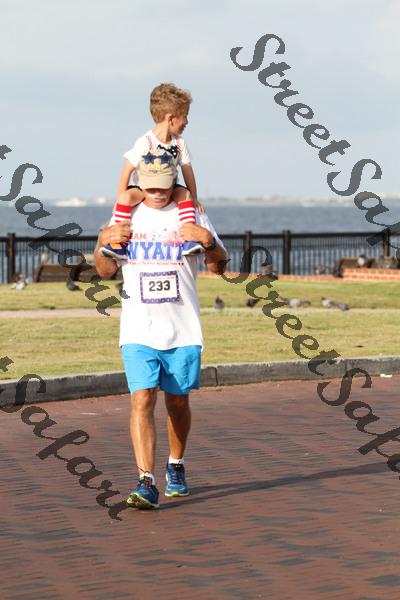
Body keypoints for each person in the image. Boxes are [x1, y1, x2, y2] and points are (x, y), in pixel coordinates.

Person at [95, 155, 227, 510]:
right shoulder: (127, 214)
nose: (156, 192)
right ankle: (146, 481)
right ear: (140, 181)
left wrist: (208, 242)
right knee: (142, 398)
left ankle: (176, 464)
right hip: (138, 327)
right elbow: (105, 270)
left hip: (182, 328)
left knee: (177, 401)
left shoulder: (190, 213)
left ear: (173, 182)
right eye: (150, 186)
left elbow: (219, 266)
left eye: (163, 186)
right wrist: (103, 241)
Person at [100, 82, 204, 260]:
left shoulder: (180, 143)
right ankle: (119, 244)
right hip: (145, 187)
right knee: (125, 198)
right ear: (171, 118)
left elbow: (187, 171)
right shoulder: (145, 142)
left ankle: (189, 240)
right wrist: (120, 200)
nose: (187, 122)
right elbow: (127, 171)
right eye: (185, 116)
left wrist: (193, 197)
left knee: (184, 196)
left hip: (170, 186)